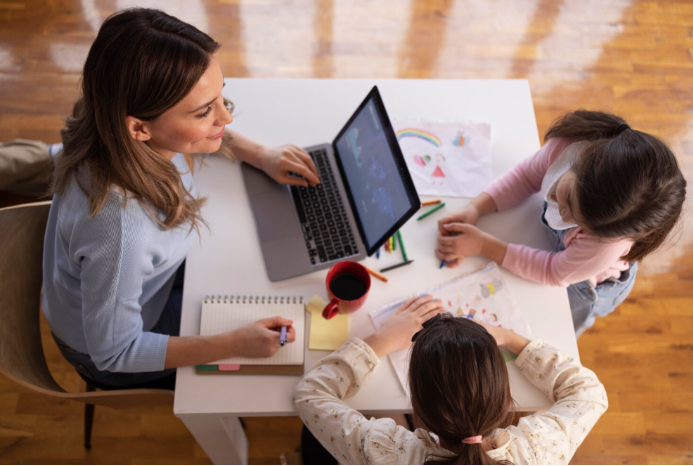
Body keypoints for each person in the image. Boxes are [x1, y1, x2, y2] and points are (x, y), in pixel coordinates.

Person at [41, 8, 321, 389]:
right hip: (109, 349)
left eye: (221, 97)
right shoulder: (122, 232)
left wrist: (260, 154)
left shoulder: (106, 116)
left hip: (140, 284)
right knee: (253, 371)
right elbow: (115, 353)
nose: (226, 118)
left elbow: (198, 122)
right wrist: (234, 344)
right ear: (139, 128)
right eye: (205, 112)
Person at [434, 111, 686, 336]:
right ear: (581, 156)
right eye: (566, 199)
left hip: (584, 282)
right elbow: (525, 176)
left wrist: (484, 246)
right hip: (575, 258)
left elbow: (553, 272)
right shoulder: (565, 146)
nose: (562, 217)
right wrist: (475, 208)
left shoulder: (606, 246)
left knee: (562, 328)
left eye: (577, 221)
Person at [294, 296, 608, 464]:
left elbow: (311, 394)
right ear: (507, 395)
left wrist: (381, 340)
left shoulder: (387, 452)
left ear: (416, 410)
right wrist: (513, 339)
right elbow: (589, 393)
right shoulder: (537, 451)